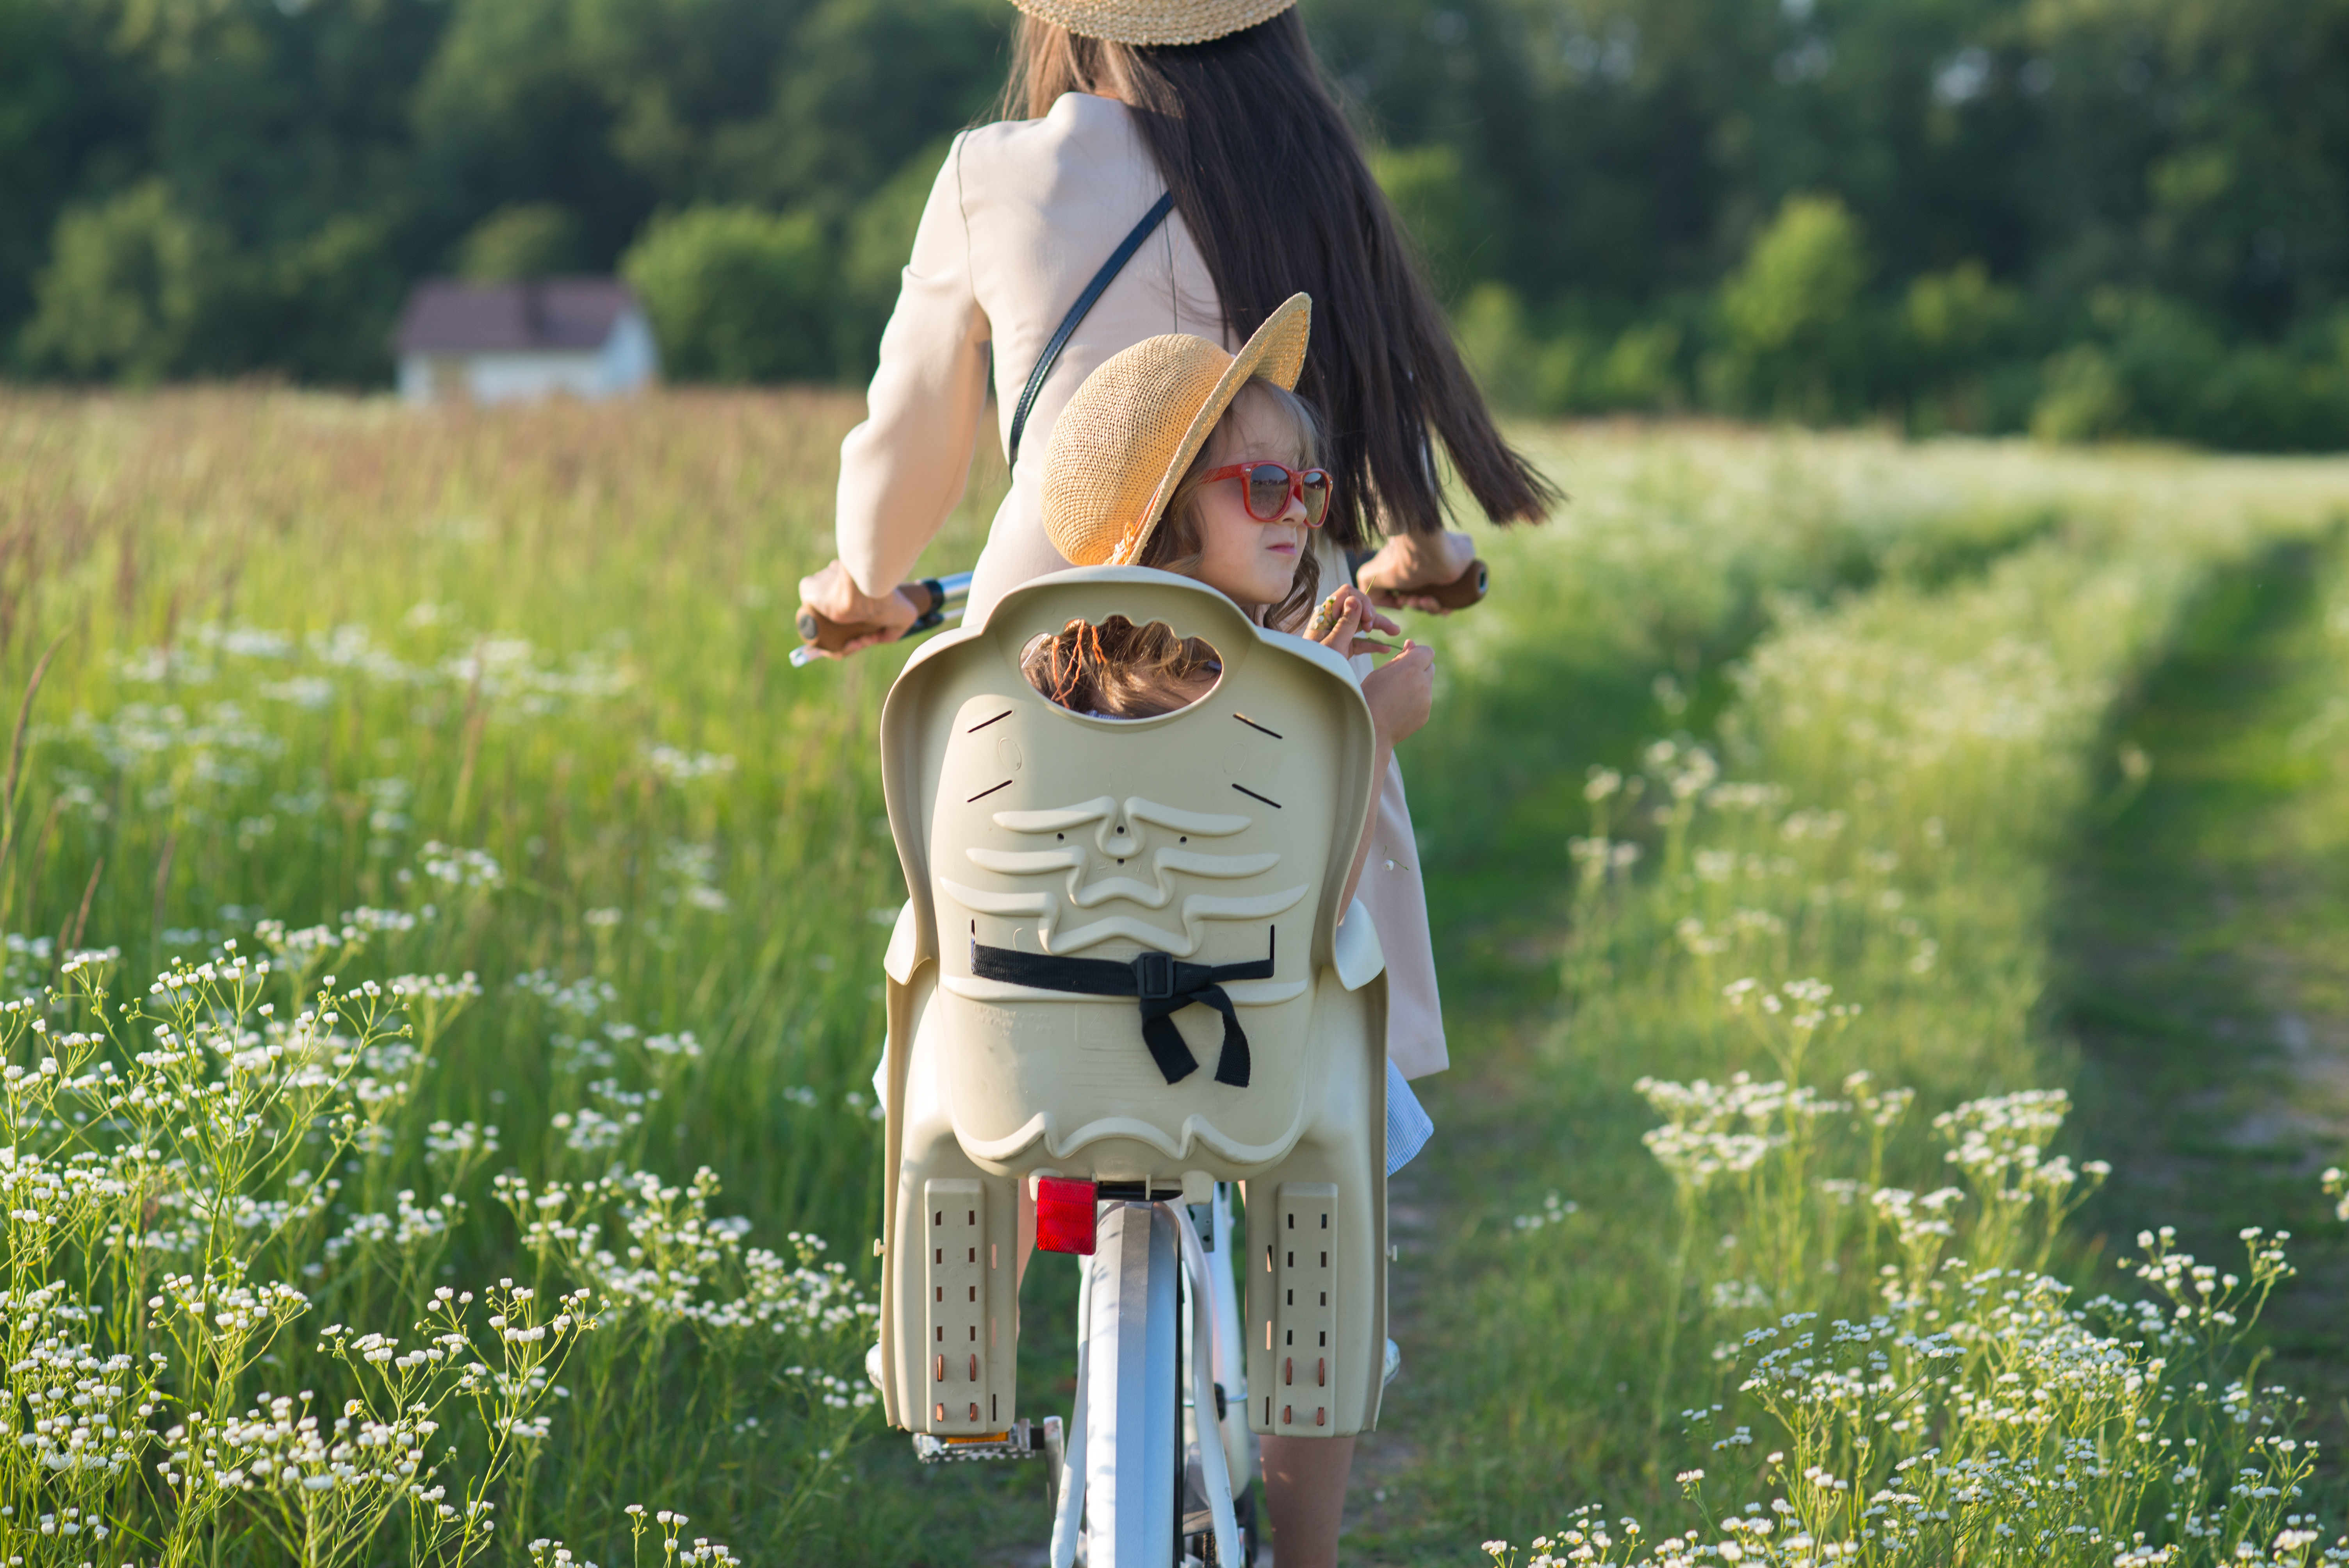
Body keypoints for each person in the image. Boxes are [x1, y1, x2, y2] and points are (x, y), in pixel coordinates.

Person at [806, 4, 1558, 1557]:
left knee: (996, 970)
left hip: (1037, 696)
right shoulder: (1315, 174)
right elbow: (1376, 456)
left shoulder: (994, 174)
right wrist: (1415, 555)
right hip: (1272, 700)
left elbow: (901, 449)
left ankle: (972, 1343)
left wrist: (866, 581)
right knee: (1310, 1083)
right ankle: (1303, 1546)